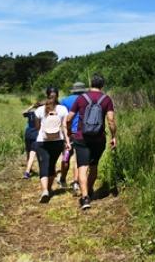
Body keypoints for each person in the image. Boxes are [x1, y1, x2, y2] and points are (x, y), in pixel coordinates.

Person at [66, 74, 116, 211]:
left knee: (82, 167)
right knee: (93, 166)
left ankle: (85, 197)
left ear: (90, 84)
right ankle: (88, 191)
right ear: (102, 85)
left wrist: (70, 132)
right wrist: (113, 136)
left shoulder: (82, 98)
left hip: (82, 138)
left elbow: (69, 118)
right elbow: (111, 120)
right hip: (98, 139)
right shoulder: (106, 99)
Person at [34, 86, 71, 203]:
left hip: (42, 141)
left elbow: (37, 127)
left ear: (47, 95)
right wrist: (67, 141)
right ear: (57, 95)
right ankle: (48, 189)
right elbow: (65, 127)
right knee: (51, 166)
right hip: (57, 141)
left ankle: (45, 190)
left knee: (44, 165)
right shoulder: (63, 109)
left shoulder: (39, 110)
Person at [59, 81, 86, 195]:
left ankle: (63, 179)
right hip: (82, 133)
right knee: (78, 159)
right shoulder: (86, 99)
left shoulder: (65, 101)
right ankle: (76, 182)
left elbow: (62, 117)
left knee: (66, 156)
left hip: (69, 133)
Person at [22, 100, 43, 179]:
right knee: (33, 154)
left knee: (28, 151)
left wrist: (31, 106)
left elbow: (24, 113)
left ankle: (29, 168)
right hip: (35, 134)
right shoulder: (41, 114)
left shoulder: (31, 113)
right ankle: (27, 172)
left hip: (28, 133)